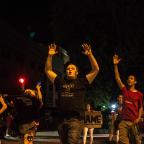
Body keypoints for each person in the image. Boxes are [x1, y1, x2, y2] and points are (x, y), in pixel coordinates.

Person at [45, 43, 99, 144]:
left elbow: (96, 70)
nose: (69, 70)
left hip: (76, 120)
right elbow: (48, 70)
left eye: (72, 69)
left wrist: (90, 55)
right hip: (61, 120)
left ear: (77, 72)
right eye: (68, 69)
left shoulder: (82, 82)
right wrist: (50, 55)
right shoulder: (60, 81)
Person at [113, 54, 143, 144]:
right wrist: (115, 65)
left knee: (137, 142)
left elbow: (141, 107)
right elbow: (117, 78)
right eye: (128, 78)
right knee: (123, 142)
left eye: (131, 78)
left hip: (134, 122)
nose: (129, 80)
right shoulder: (125, 91)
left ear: (135, 81)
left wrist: (138, 118)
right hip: (123, 122)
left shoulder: (139, 94)